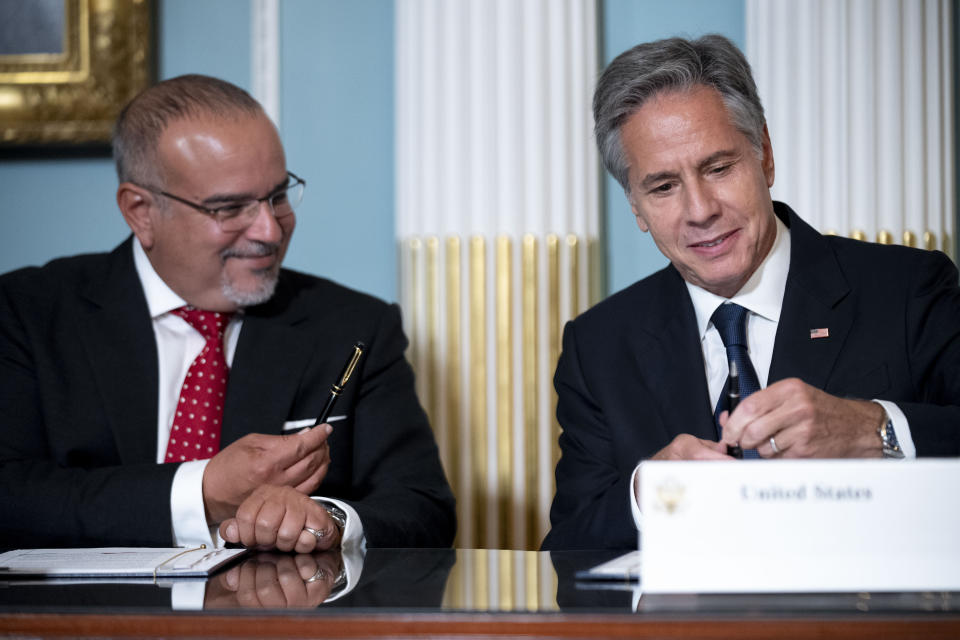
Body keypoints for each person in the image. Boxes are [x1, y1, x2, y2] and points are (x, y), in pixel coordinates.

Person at [0, 74, 455, 553]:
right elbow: (10, 495)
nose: (269, 231)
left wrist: (331, 521)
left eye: (278, 196)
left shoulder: (355, 327)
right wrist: (201, 490)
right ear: (140, 210)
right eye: (231, 207)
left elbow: (423, 509)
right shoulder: (27, 313)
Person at [542, 35, 960, 551]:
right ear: (635, 204)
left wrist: (875, 430)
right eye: (663, 187)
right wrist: (642, 497)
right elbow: (565, 554)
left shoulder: (908, 288)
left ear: (764, 156)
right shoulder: (599, 344)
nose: (700, 211)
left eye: (718, 168)